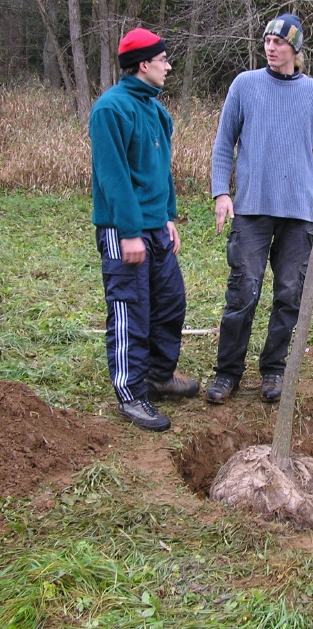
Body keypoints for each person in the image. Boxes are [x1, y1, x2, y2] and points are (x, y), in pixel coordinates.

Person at [207, 13, 313, 404]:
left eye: (279, 42)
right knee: (244, 290)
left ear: (295, 49)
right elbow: (224, 144)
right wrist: (222, 192)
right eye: (267, 41)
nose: (271, 47)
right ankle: (227, 373)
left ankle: (273, 370)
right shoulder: (245, 86)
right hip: (252, 209)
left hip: (299, 212)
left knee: (290, 293)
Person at [89, 27, 198, 432]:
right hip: (125, 232)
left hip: (156, 230)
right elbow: (112, 177)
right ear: (143, 64)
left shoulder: (155, 110)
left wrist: (168, 217)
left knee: (170, 303)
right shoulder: (110, 110)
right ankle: (131, 395)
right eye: (163, 59)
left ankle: (158, 376)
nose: (168, 66)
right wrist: (130, 232)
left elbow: (160, 173)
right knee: (129, 311)